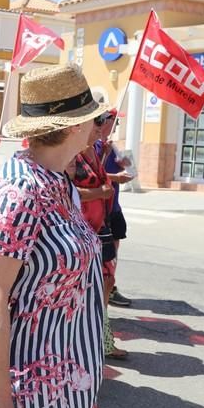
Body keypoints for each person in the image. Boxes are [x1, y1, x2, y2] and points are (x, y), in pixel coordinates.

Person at [0, 64, 108, 408]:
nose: (97, 125)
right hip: (26, 388)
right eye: (93, 118)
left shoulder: (56, 180)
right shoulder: (22, 187)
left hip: (60, 382)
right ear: (73, 126)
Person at [69, 111, 129, 360]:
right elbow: (70, 190)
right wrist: (99, 193)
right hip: (82, 228)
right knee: (85, 287)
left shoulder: (98, 149)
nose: (103, 127)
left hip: (100, 226)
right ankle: (84, 342)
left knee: (106, 280)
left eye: (105, 122)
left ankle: (101, 339)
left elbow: (102, 181)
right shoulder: (72, 153)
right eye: (99, 122)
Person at [95, 108, 134, 307]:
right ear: (103, 122)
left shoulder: (110, 145)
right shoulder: (91, 145)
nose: (116, 125)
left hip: (113, 205)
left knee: (114, 247)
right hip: (99, 208)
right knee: (104, 251)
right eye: (114, 121)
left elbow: (120, 166)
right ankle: (103, 288)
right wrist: (116, 177)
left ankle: (110, 285)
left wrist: (125, 164)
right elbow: (92, 175)